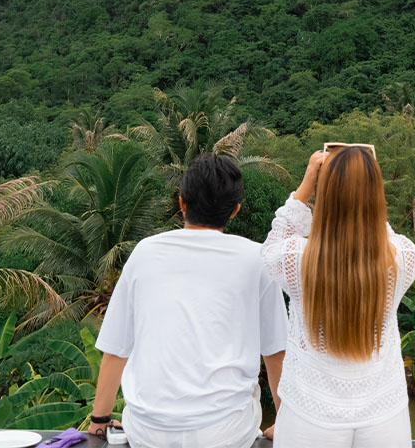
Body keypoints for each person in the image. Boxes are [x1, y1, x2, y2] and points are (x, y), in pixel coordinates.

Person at [90, 153, 288, 448]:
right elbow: (275, 353)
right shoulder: (256, 258)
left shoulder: (145, 253)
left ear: (182, 202)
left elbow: (116, 349)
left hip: (149, 431)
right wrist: (286, 421)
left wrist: (99, 419)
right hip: (226, 433)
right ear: (235, 210)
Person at [261, 146, 415, 448]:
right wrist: (366, 182)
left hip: (308, 412)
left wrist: (306, 185)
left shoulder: (296, 259)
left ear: (325, 196)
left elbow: (271, 247)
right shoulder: (402, 258)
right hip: (383, 412)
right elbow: (384, 234)